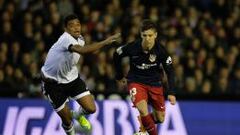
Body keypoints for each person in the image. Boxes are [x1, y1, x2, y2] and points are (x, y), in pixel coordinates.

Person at [41, 14, 120, 135]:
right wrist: (105, 42)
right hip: (53, 84)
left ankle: (77, 115)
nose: (76, 27)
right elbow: (82, 51)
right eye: (71, 26)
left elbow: (82, 51)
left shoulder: (81, 39)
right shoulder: (65, 38)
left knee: (91, 108)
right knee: (67, 121)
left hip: (72, 78)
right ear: (66, 29)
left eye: (78, 24)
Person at [113, 19, 176, 135]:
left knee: (160, 118)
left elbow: (170, 71)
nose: (147, 39)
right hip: (136, 81)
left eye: (150, 35)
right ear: (140, 35)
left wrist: (171, 92)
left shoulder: (161, 51)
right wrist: (119, 75)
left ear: (155, 35)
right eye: (144, 35)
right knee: (142, 110)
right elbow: (117, 54)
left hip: (155, 83)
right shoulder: (133, 47)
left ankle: (143, 127)